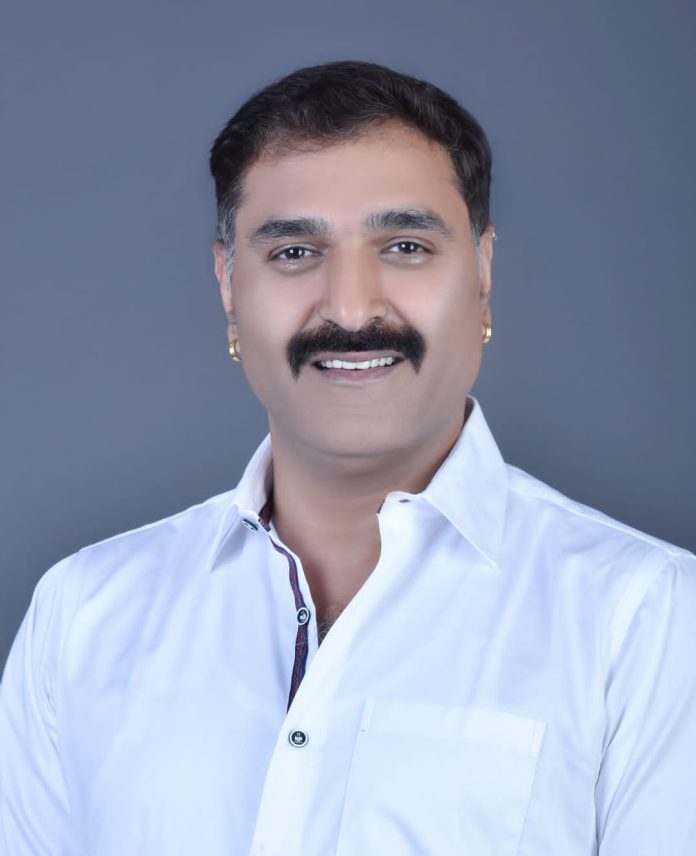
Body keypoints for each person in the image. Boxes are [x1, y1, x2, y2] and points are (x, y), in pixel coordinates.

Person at [1, 59, 694, 856]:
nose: (352, 309)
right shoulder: (84, 614)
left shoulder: (646, 619)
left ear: (483, 273)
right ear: (228, 284)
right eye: (295, 252)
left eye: (405, 245)